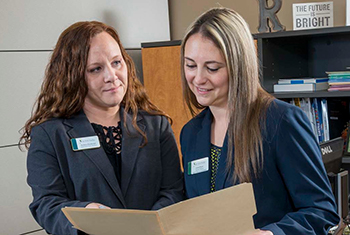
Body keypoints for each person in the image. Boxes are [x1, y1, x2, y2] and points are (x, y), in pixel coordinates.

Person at [180, 7, 339, 235]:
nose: (198, 78)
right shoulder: (190, 133)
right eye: (190, 65)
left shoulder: (281, 121)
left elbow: (321, 211)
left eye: (212, 68)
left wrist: (273, 233)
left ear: (239, 66)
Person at [20, 21, 183, 235]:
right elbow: (46, 204)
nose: (111, 76)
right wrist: (86, 215)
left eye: (116, 63)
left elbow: (173, 190)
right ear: (73, 76)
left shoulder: (156, 125)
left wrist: (146, 228)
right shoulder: (49, 134)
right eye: (95, 69)